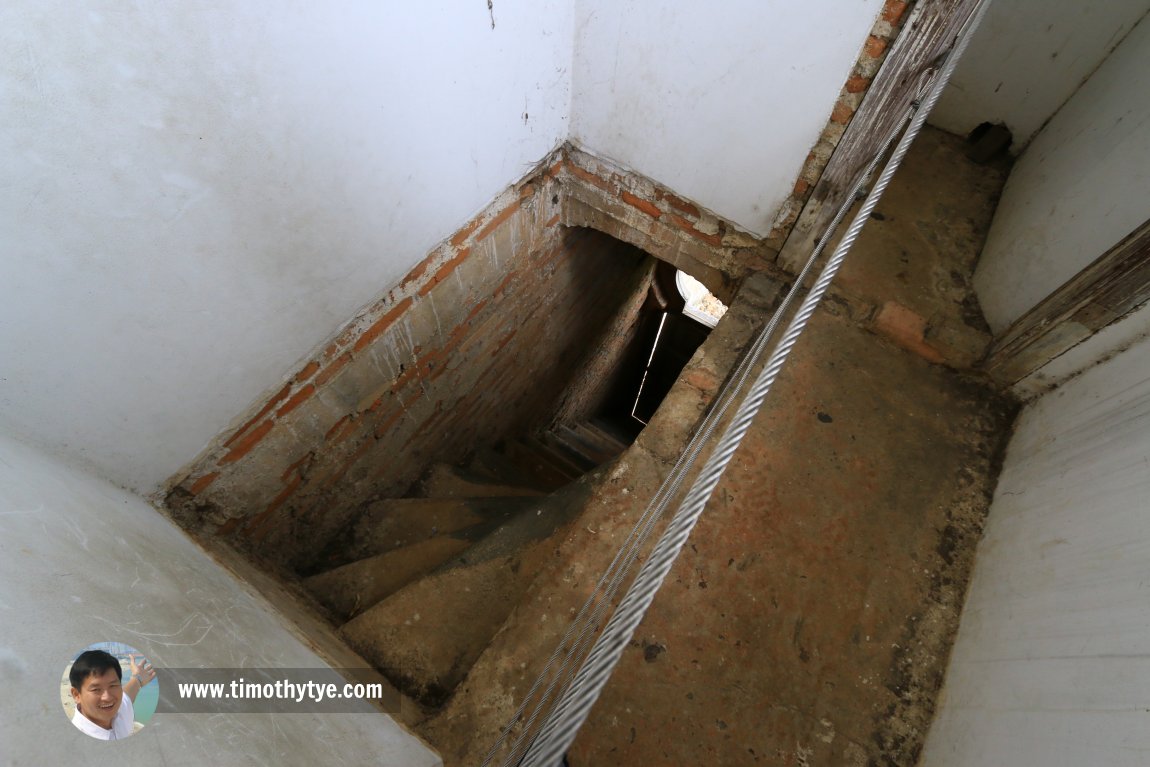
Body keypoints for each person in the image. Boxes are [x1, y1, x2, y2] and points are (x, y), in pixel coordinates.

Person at [68, 649, 156, 740]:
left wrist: (138, 678)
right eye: (96, 689)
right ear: (76, 695)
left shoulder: (120, 710)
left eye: (113, 686)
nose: (108, 697)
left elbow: (128, 693)